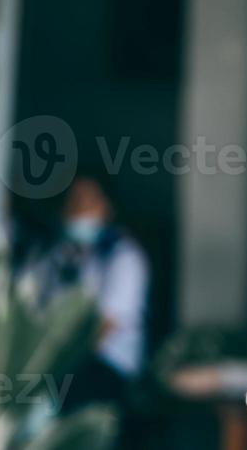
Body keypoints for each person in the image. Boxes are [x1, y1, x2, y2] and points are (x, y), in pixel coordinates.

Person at [15, 170, 149, 411]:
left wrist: (56, 362)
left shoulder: (123, 257)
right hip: (45, 359)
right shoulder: (49, 251)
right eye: (71, 201)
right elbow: (21, 302)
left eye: (85, 201)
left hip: (102, 365)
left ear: (106, 207)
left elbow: (103, 328)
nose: (76, 209)